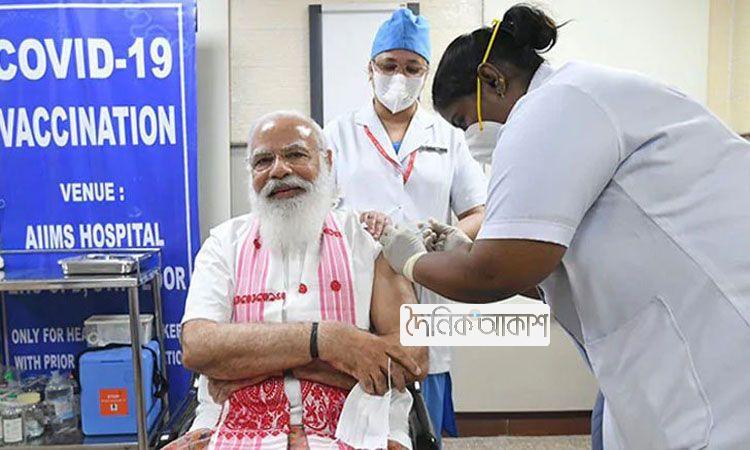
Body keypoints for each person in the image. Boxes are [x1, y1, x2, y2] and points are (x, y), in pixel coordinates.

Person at [378, 4, 750, 450]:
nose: (469, 135)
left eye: (464, 120)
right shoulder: (576, 98)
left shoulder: (553, 106)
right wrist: (463, 252)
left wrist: (413, 260)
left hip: (712, 342)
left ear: (492, 79)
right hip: (654, 335)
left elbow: (494, 272)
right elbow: (546, 272)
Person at [175, 111, 428, 450]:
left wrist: (254, 366)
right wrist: (330, 341)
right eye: (263, 161)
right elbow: (197, 347)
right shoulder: (223, 244)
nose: (279, 170)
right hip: (236, 425)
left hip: (356, 423)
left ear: (327, 162)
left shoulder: (370, 240)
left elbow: (414, 356)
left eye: (295, 154)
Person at [324, 9, 487, 444]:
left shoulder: (449, 136)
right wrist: (355, 226)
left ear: (425, 73)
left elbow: (478, 211)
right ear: (370, 68)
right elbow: (318, 213)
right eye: (389, 65)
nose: (400, 76)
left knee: (422, 403)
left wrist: (446, 238)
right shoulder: (337, 134)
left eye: (412, 68)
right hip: (358, 286)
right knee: (360, 409)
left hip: (428, 283)